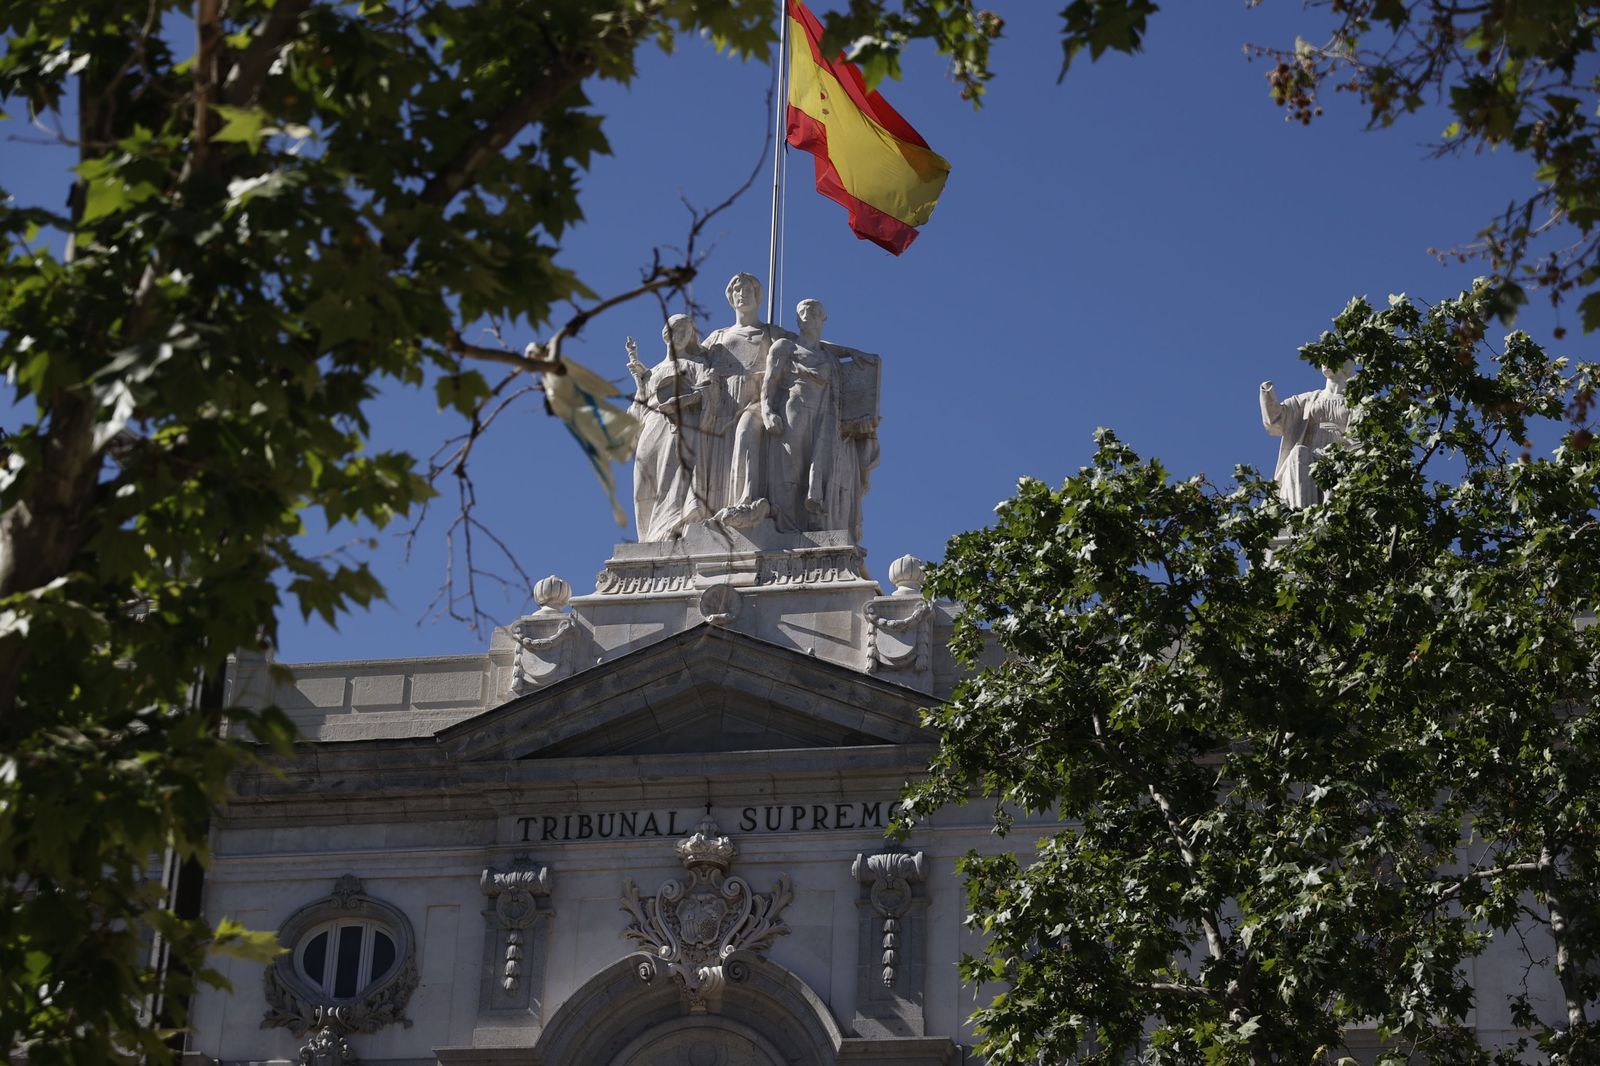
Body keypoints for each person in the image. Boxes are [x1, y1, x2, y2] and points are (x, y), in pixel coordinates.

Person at [700, 273, 794, 527]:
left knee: (744, 434)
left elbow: (806, 349)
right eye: (737, 290)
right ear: (730, 298)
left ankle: (747, 500)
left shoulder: (771, 333)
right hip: (722, 404)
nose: (742, 294)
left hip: (759, 402)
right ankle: (714, 509)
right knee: (718, 453)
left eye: (747, 290)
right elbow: (693, 362)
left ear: (758, 296)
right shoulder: (717, 337)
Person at [627, 315, 722, 541]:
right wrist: (640, 383)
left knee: (672, 481)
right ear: (665, 334)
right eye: (675, 330)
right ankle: (647, 538)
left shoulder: (697, 364)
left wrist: (684, 402)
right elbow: (637, 408)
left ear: (691, 336)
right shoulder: (652, 372)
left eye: (685, 331)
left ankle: (670, 531)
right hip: (652, 424)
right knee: (643, 485)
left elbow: (708, 393)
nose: (679, 336)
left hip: (680, 425)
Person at [761, 299, 840, 531]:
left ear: (823, 319)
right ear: (796, 319)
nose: (808, 314)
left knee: (814, 466)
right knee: (789, 466)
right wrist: (767, 411)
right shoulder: (785, 347)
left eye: (814, 311)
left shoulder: (829, 358)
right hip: (792, 407)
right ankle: (785, 524)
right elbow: (769, 382)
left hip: (822, 415)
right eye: (803, 311)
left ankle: (809, 520)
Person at [1260, 362, 1354, 507]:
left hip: (1340, 453)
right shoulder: (1310, 399)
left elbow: (1361, 438)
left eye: (1331, 358)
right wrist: (1268, 395)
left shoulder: (1354, 402)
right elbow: (1276, 421)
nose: (1325, 362)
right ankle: (1300, 516)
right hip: (1310, 451)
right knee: (1298, 453)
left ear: (1344, 364)